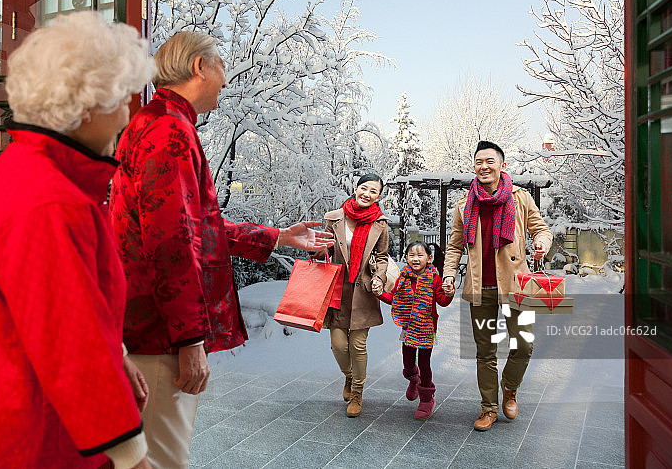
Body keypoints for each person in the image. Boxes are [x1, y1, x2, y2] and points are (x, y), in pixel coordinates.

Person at [0, 12, 156, 469]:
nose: (127, 112)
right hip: (33, 440)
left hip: (10, 419)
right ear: (82, 108)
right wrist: (132, 456)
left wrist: (116, 357)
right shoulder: (50, 201)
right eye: (119, 97)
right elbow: (70, 345)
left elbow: (62, 308)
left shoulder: (29, 172)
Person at [108, 31, 334, 469]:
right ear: (199, 68)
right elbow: (170, 241)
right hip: (159, 336)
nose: (227, 81)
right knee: (158, 461)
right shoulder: (169, 131)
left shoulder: (159, 124)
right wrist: (189, 338)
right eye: (222, 67)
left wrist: (279, 237)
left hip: (150, 328)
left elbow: (196, 225)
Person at [441, 140, 552, 432]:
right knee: (485, 352)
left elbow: (541, 228)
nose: (484, 167)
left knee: (524, 346)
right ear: (474, 167)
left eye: (490, 161)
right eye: (479, 162)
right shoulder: (464, 205)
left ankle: (510, 387)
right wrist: (449, 275)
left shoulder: (520, 198)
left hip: (517, 285)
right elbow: (454, 247)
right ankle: (488, 407)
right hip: (480, 287)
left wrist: (541, 242)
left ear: (502, 166)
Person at [317, 173, 390, 418]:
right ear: (356, 188)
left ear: (378, 197)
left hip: (363, 290)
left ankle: (357, 391)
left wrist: (379, 277)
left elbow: (382, 257)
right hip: (338, 289)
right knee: (337, 344)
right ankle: (349, 375)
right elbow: (324, 249)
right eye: (364, 188)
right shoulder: (334, 218)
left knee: (358, 345)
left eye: (373, 191)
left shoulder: (379, 223)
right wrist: (315, 248)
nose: (367, 194)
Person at [374, 241, 454, 420]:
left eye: (420, 255)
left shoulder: (434, 277)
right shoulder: (403, 277)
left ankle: (427, 399)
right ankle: (413, 379)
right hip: (408, 327)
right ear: (406, 258)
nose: (415, 259)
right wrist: (379, 293)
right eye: (411, 255)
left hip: (426, 327)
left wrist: (448, 294)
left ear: (429, 258)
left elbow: (442, 300)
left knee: (425, 363)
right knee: (408, 363)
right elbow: (394, 298)